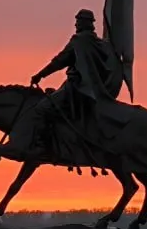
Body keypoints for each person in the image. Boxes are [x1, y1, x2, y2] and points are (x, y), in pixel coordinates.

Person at [29, 9, 125, 147]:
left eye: (78, 21)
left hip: (77, 88)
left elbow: (59, 61)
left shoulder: (78, 41)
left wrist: (40, 75)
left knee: (42, 108)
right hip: (95, 91)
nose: (76, 24)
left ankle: (42, 145)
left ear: (86, 23)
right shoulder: (102, 44)